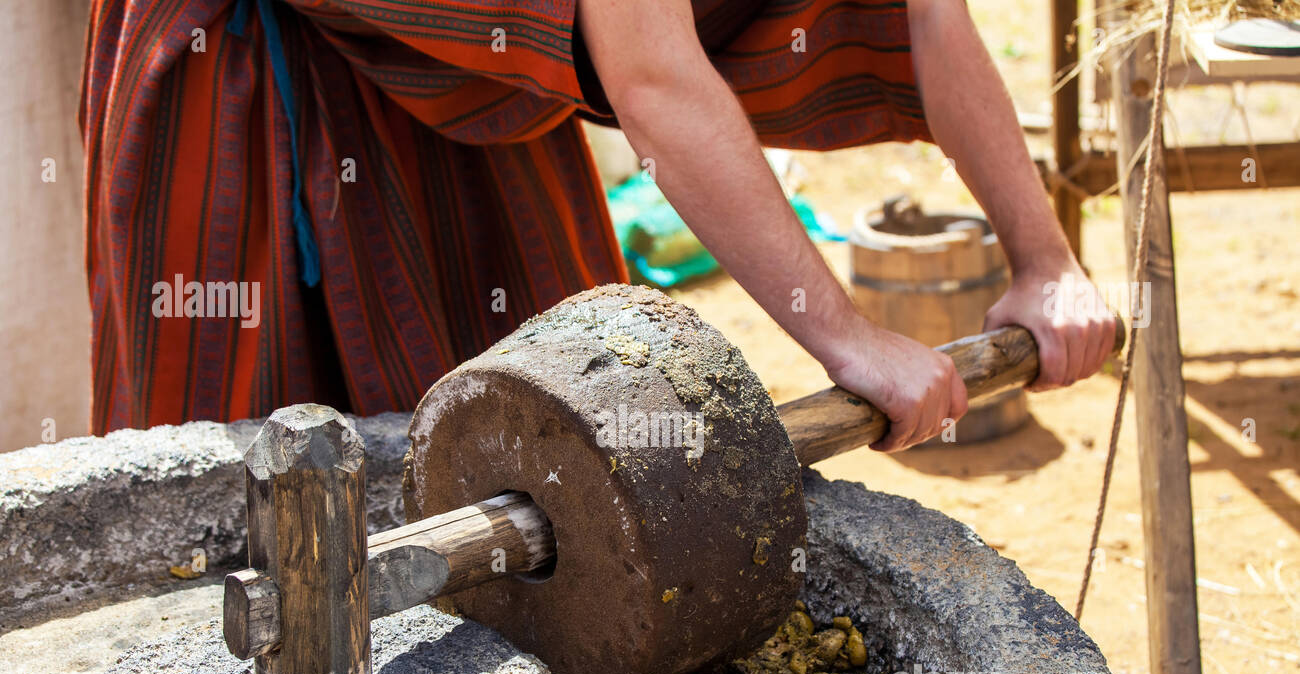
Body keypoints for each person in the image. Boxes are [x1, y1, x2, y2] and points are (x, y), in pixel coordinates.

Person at [82, 0, 1115, 450]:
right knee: (266, 518)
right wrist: (846, 339)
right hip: (259, 90)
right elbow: (655, 71)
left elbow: (929, 12)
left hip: (486, 88)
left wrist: (1046, 259)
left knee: (559, 445)